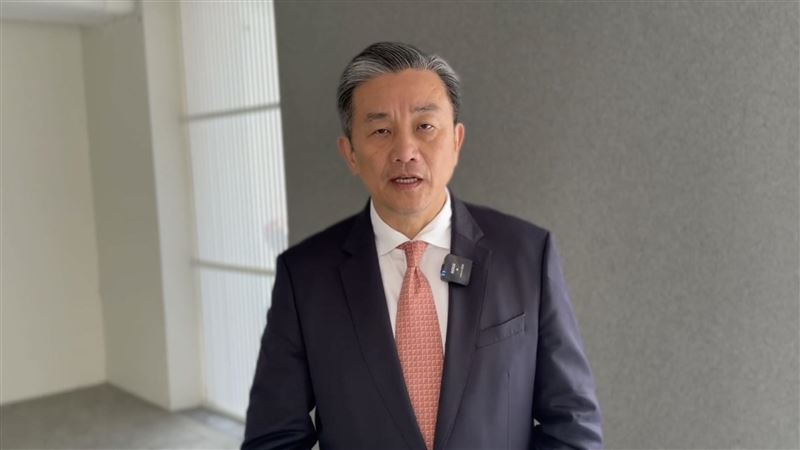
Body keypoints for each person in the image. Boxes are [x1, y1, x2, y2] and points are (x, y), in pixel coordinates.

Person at [242, 41, 603, 450]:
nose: (405, 152)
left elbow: (573, 423)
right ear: (351, 153)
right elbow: (273, 438)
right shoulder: (305, 276)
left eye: (425, 126)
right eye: (381, 130)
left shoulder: (527, 255)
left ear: (457, 141)